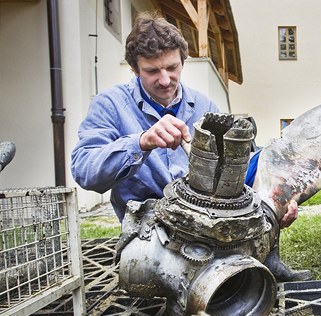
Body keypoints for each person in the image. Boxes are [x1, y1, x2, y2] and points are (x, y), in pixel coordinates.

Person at [71, 11, 304, 281]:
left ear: (183, 61)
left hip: (208, 221)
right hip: (151, 229)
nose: (165, 80)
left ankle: (265, 257)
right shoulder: (109, 105)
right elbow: (84, 170)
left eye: (172, 68)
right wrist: (140, 142)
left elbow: (235, 173)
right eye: (152, 71)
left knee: (263, 163)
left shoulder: (204, 106)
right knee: (149, 272)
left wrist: (277, 198)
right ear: (135, 70)